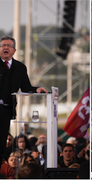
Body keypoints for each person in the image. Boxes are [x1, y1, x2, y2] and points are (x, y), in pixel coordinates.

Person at [0, 35, 48, 169]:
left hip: (6, 110)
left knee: (1, 143)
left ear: (14, 50)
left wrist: (37, 89)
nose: (6, 48)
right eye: (3, 45)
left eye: (9, 46)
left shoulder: (19, 67)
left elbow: (26, 88)